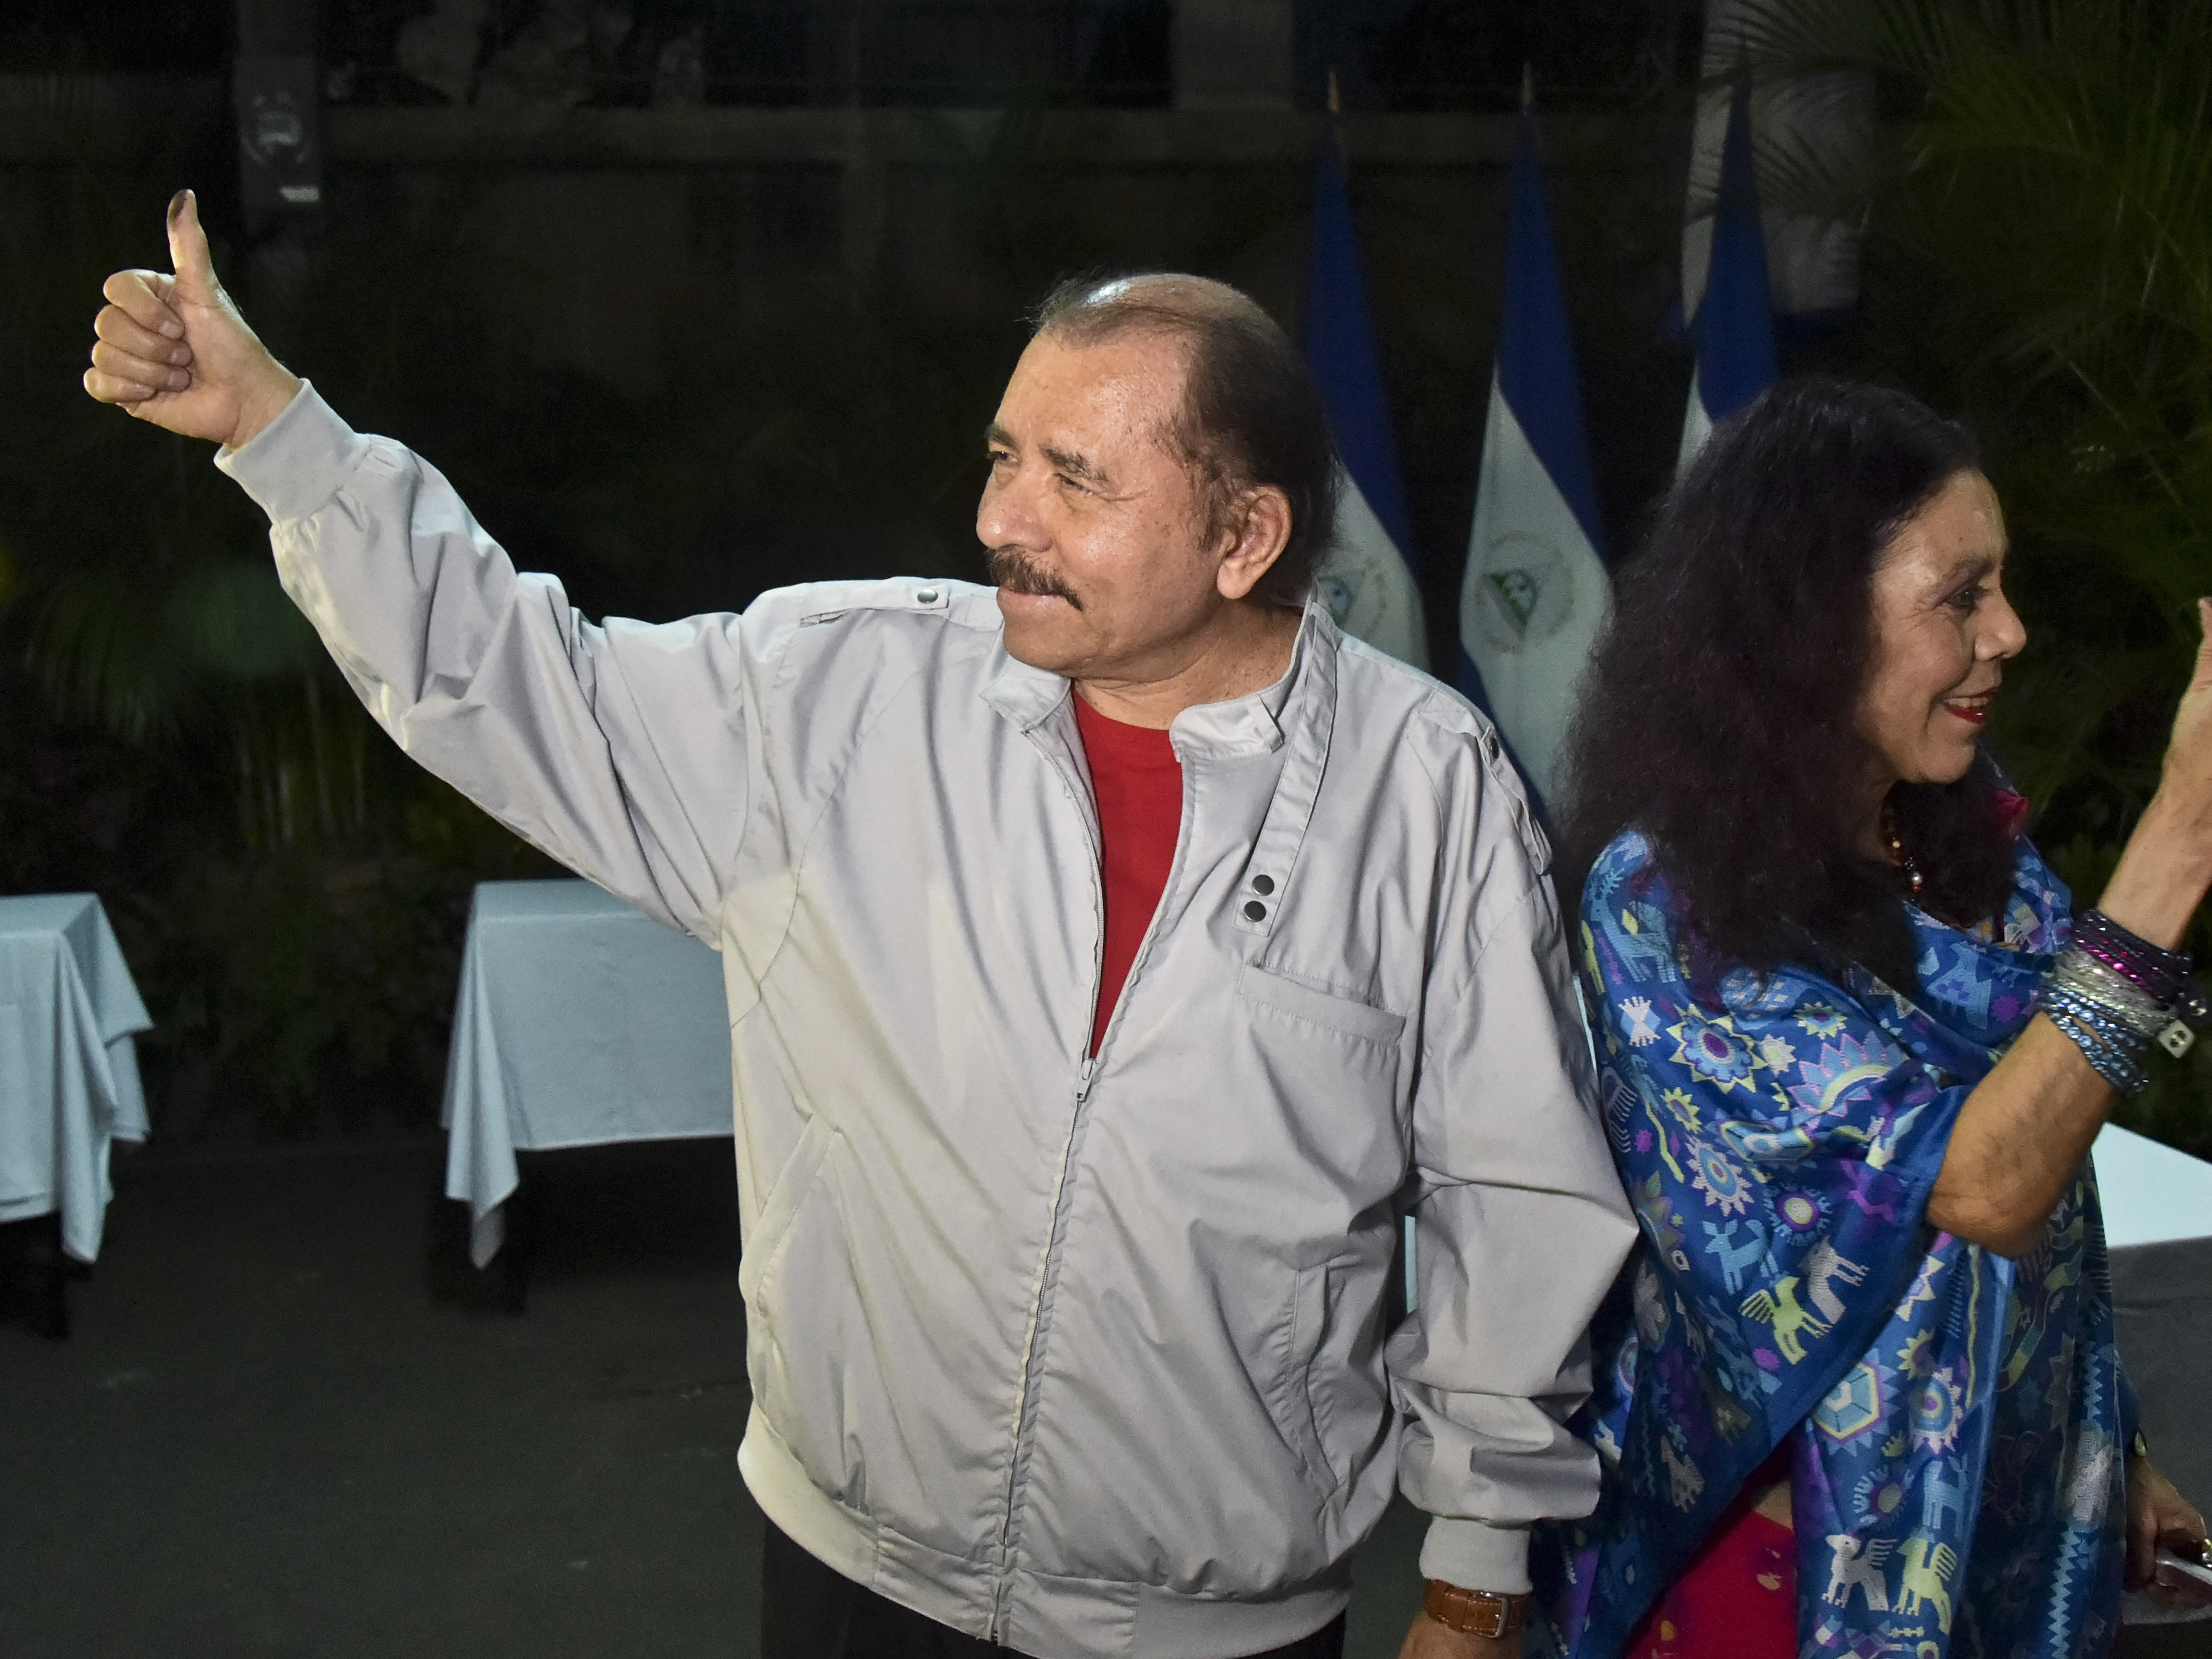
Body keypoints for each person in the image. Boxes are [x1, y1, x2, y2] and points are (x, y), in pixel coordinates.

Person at [84, 191, 1640, 1659]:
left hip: (1210, 1622)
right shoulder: (837, 693)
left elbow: (1518, 1191)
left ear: (1244, 538)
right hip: (855, 1579)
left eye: (1073, 480)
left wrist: (1475, 1577)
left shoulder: (1422, 791)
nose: (998, 517)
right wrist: (279, 436)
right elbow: (503, 670)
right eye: (1002, 452)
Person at [1536, 378, 2212, 1658]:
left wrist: (2101, 1445)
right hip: (1785, 1571)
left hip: (2009, 1542)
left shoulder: (1968, 842)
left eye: (1999, 585)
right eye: (1959, 596)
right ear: (1807, 627)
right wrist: (2180, 837)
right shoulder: (1665, 905)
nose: (2006, 633)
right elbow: (1979, 1186)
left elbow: (2049, 1216)